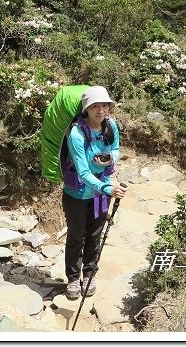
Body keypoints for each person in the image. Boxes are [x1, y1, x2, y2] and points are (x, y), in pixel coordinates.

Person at [60, 85, 127, 300]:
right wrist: (108, 188)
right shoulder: (76, 134)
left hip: (100, 195)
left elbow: (115, 148)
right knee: (76, 236)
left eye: (104, 105)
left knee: (95, 234)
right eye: (95, 106)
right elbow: (83, 172)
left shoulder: (111, 126)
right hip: (77, 194)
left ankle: (89, 275)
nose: (101, 110)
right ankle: (73, 278)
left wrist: (110, 159)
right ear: (86, 109)